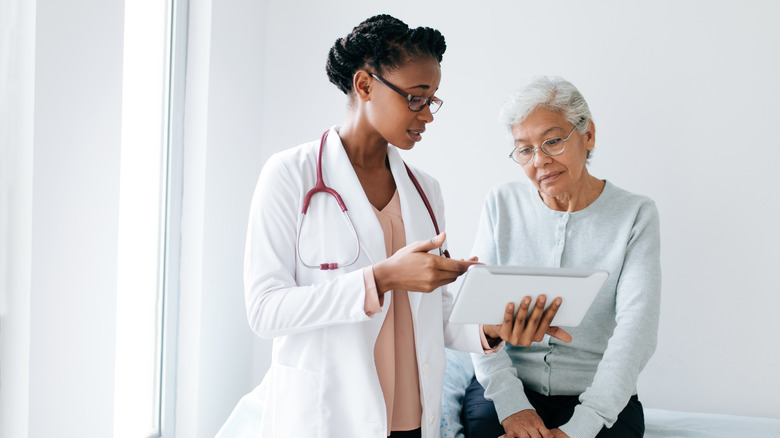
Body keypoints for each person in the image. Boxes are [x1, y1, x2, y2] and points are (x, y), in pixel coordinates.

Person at [215, 16, 568, 438]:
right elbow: (265, 311)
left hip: (412, 420)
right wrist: (380, 279)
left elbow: (432, 317)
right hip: (329, 415)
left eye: (432, 100)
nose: (427, 116)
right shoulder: (290, 175)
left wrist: (492, 328)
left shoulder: (425, 190)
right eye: (416, 98)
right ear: (365, 86)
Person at [459, 76, 661, 438]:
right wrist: (512, 407)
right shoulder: (501, 204)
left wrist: (584, 425)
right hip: (507, 388)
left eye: (553, 141)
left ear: (588, 136)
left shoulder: (636, 214)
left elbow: (637, 331)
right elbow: (477, 319)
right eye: (525, 149)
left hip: (598, 396)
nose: (540, 161)